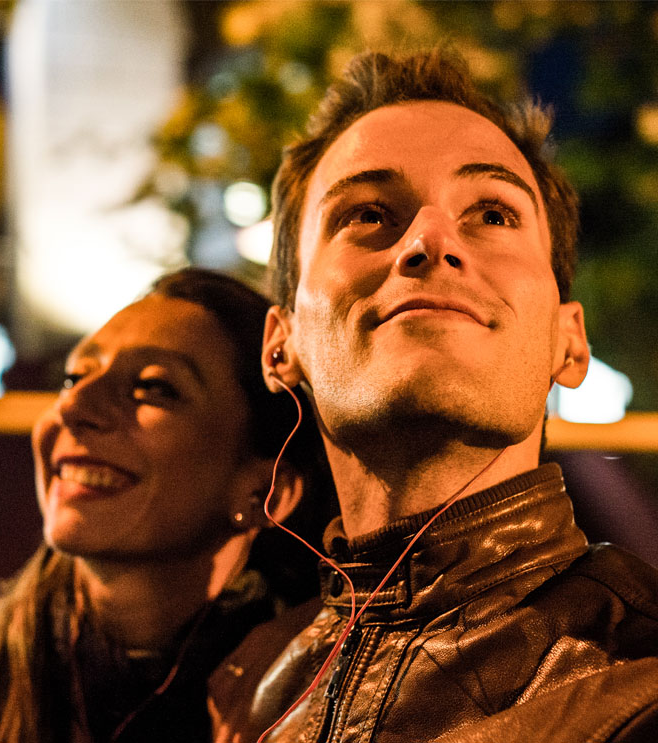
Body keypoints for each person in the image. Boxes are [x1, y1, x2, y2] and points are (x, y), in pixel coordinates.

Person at [210, 50, 658, 742]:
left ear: (569, 340)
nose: (428, 239)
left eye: (493, 213)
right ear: (282, 341)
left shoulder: (639, 679)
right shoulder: (241, 690)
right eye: (366, 213)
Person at [0, 267, 332, 743]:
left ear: (270, 491)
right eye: (74, 377)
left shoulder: (312, 696)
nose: (74, 408)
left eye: (154, 388)